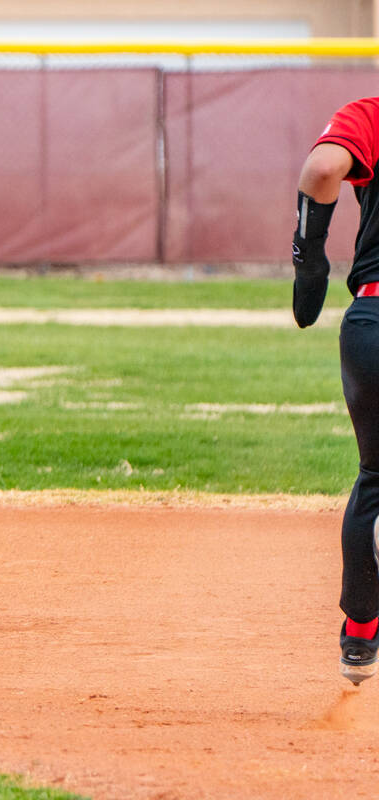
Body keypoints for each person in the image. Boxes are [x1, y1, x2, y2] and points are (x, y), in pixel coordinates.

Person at [292, 95, 379, 685]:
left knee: (375, 475)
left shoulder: (373, 112)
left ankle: (361, 633)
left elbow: (323, 169)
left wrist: (309, 258)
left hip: (375, 317)